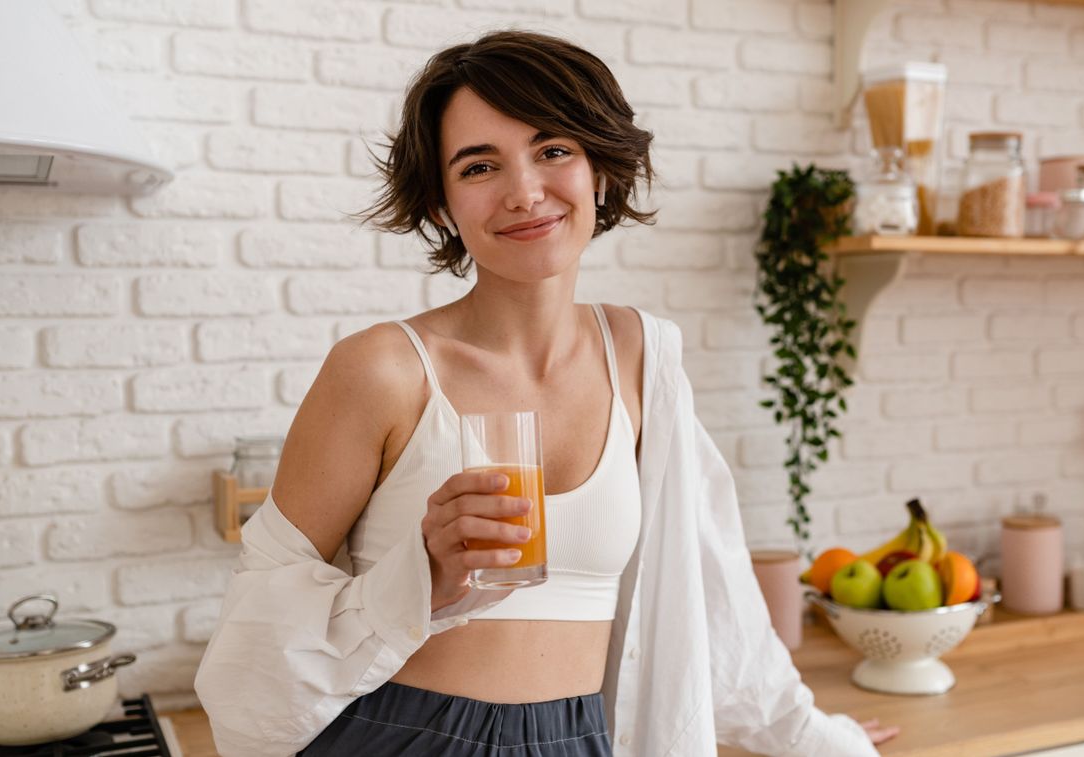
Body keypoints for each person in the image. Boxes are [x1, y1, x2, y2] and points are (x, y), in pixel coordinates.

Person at [193, 30, 899, 757]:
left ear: (599, 168)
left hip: (579, 739)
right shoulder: (381, 370)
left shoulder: (639, 355)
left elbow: (713, 588)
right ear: (441, 205)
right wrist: (422, 579)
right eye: (479, 165)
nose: (524, 191)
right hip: (396, 737)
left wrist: (816, 740)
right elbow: (260, 612)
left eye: (554, 149)